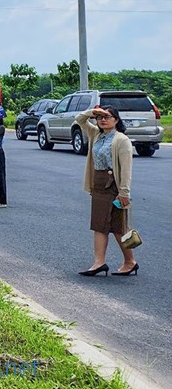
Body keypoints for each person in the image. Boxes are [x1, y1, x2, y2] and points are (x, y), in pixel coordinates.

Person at [77, 105, 138, 276]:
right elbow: (79, 119)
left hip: (114, 185)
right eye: (100, 117)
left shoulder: (121, 139)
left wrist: (124, 192)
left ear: (116, 120)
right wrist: (94, 111)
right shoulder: (96, 134)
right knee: (99, 225)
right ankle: (99, 262)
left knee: (118, 227)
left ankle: (130, 261)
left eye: (107, 117)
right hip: (98, 183)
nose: (103, 120)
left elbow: (126, 169)